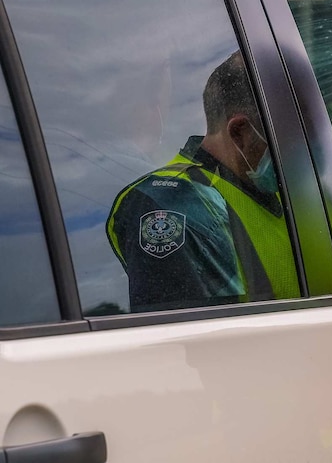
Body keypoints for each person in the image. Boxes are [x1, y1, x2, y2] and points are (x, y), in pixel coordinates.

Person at [106, 51, 299, 312]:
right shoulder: (178, 207)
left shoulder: (292, 191)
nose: (300, 150)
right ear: (240, 132)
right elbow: (202, 345)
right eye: (290, 136)